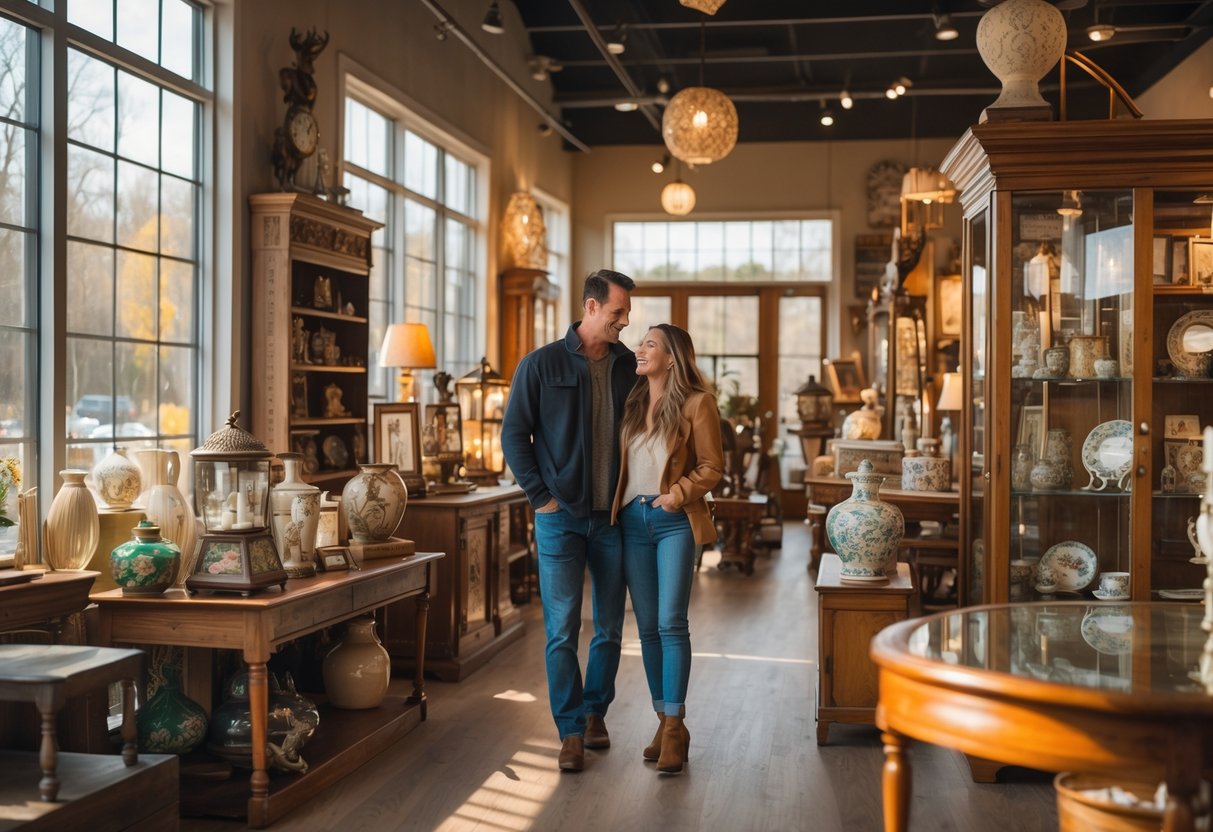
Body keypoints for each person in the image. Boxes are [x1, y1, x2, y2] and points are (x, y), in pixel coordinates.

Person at [502, 269, 637, 772]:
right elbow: (514, 435)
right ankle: (570, 730)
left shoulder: (629, 367)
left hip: (613, 518)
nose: (625, 321)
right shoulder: (540, 365)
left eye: (627, 313)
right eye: (618, 312)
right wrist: (541, 497)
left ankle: (596, 712)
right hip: (560, 518)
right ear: (591, 307)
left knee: (608, 628)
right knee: (561, 630)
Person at [610, 324, 723, 775]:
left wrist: (678, 493)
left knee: (671, 622)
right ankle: (664, 720)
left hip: (674, 519)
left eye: (649, 344)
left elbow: (713, 466)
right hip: (631, 522)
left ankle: (675, 726)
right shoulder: (634, 403)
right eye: (641, 343)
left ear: (672, 356)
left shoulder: (698, 404)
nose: (639, 349)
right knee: (649, 631)